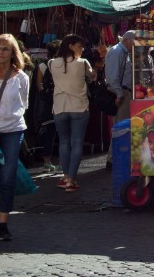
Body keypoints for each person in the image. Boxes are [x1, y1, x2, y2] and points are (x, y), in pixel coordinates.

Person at [0, 34, 31, 241]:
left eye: (5, 48)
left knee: (7, 178)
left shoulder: (21, 78)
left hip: (13, 131)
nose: (0, 51)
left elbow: (24, 105)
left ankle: (3, 224)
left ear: (12, 53)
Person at [48, 35, 95, 193]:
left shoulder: (51, 63)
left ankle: (66, 176)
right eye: (79, 46)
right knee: (76, 143)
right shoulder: (82, 63)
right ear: (71, 46)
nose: (82, 49)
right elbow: (92, 76)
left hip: (60, 107)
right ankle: (71, 179)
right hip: (79, 107)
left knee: (64, 142)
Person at [33, 42, 59, 173]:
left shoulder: (42, 65)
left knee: (49, 132)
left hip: (47, 103)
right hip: (59, 101)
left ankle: (47, 161)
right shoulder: (62, 64)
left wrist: (45, 95)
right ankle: (54, 161)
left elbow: (39, 85)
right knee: (57, 132)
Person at [103, 30, 136, 124]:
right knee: (120, 125)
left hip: (125, 92)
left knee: (123, 124)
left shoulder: (124, 52)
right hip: (121, 93)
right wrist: (119, 94)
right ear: (127, 40)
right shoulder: (117, 52)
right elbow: (112, 76)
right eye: (134, 42)